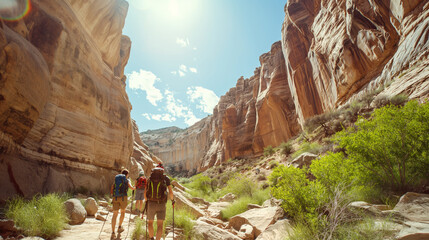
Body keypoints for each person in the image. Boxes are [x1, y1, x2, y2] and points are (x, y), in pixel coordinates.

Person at [144, 166, 174, 240]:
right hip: (161, 204)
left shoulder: (149, 178)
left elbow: (145, 191)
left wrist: (146, 200)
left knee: (150, 223)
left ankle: (151, 238)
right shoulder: (166, 178)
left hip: (151, 203)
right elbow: (170, 191)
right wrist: (173, 200)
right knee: (160, 225)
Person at [111, 169, 135, 237]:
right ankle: (119, 227)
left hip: (115, 197)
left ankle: (113, 232)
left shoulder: (117, 179)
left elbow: (112, 187)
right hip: (123, 198)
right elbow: (131, 188)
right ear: (127, 175)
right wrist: (135, 187)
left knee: (115, 214)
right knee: (122, 212)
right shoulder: (127, 180)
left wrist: (113, 195)